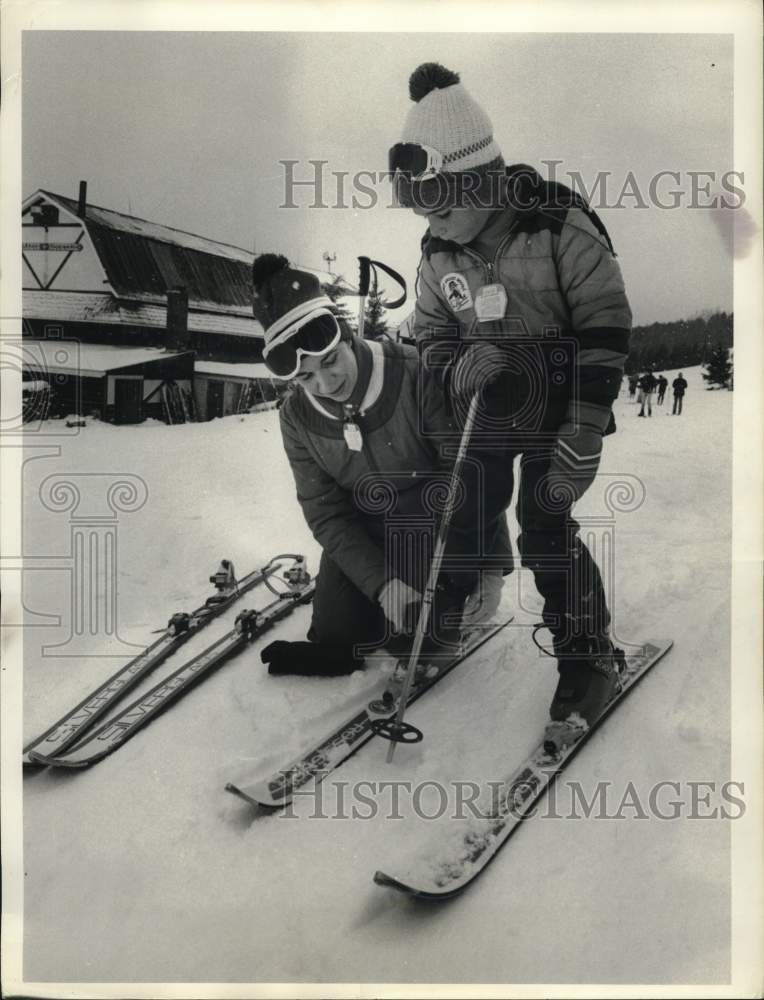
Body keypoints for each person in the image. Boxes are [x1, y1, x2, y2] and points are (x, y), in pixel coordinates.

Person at [388, 62, 631, 738]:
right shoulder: (439, 252)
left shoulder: (557, 223)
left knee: (543, 521)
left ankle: (589, 653)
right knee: (463, 508)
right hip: (491, 404)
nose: (433, 222)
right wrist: (455, 366)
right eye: (422, 211)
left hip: (562, 402)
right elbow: (431, 331)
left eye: (441, 206)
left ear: (481, 179)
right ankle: (445, 621)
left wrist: (585, 426)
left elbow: (606, 324)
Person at [251, 253, 510, 679]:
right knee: (338, 637)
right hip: (365, 529)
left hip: (436, 524)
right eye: (306, 378)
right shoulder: (296, 417)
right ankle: (375, 607)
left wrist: (490, 566)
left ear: (347, 337)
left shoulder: (414, 371)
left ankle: (440, 606)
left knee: (422, 639)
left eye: (330, 361)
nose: (326, 384)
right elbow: (326, 512)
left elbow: (471, 471)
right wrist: (382, 584)